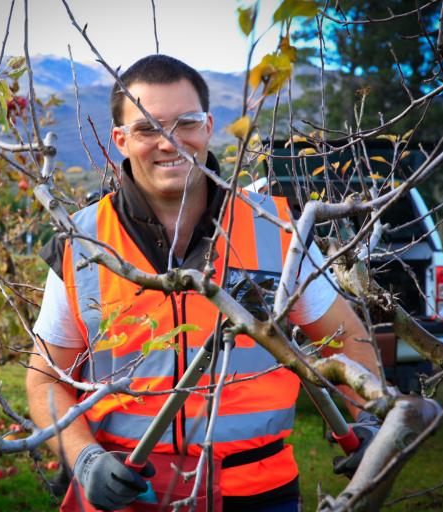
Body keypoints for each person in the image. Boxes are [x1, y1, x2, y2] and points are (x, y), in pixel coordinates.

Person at [27, 54, 379, 512]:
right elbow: (44, 380)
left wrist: (371, 422)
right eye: (147, 128)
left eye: (186, 123)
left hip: (256, 494)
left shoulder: (274, 228)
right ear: (120, 140)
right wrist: (85, 458)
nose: (169, 142)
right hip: (127, 493)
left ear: (209, 126)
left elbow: (347, 338)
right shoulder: (83, 240)